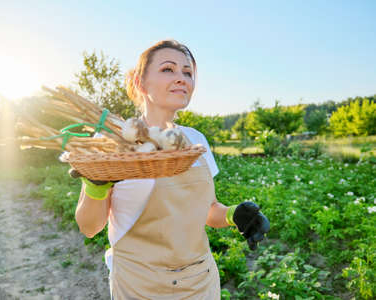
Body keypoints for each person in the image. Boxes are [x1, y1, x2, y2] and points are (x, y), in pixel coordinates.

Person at [72, 40, 270, 299]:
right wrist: (96, 185)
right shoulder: (115, 141)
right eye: (168, 69)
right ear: (141, 83)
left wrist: (235, 214)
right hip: (139, 286)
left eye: (187, 73)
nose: (181, 79)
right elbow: (89, 227)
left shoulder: (196, 139)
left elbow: (209, 210)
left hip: (200, 281)